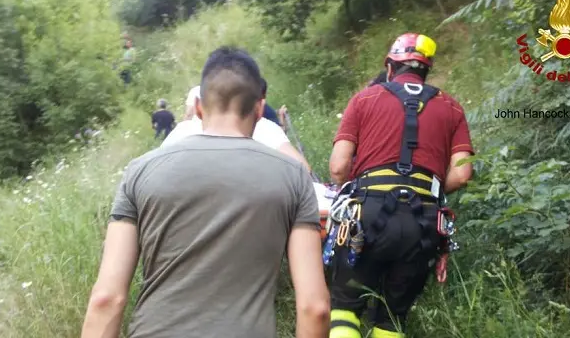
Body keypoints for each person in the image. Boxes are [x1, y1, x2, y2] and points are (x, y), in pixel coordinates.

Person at [81, 46, 330, 338]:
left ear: (198, 108)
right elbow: (315, 308)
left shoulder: (139, 171)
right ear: (260, 110)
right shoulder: (293, 176)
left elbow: (106, 299)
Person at [326, 32, 474, 338]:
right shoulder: (452, 107)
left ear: (390, 67)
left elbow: (339, 168)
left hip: (366, 215)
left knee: (344, 307)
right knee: (393, 318)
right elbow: (461, 174)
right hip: (423, 223)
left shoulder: (365, 98)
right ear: (426, 69)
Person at [165, 84, 313, 172]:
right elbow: (302, 169)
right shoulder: (264, 127)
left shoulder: (183, 130)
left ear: (199, 106)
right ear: (259, 107)